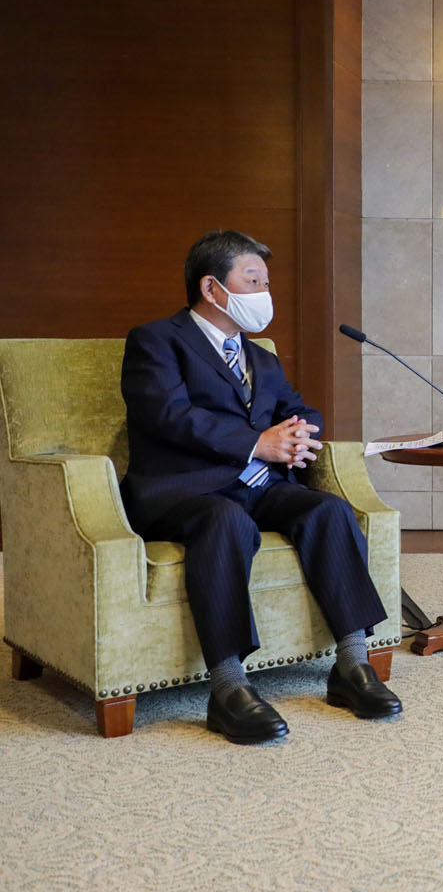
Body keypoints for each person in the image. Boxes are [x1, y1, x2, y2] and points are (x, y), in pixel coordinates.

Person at [120, 230, 400, 744]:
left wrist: (296, 437)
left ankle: (352, 666)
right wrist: (258, 444)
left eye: (265, 282)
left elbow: (299, 409)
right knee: (226, 521)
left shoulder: (262, 358)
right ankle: (228, 688)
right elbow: (168, 416)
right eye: (253, 280)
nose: (263, 292)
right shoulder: (157, 340)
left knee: (329, 511)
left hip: (256, 484)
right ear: (212, 288)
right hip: (183, 491)